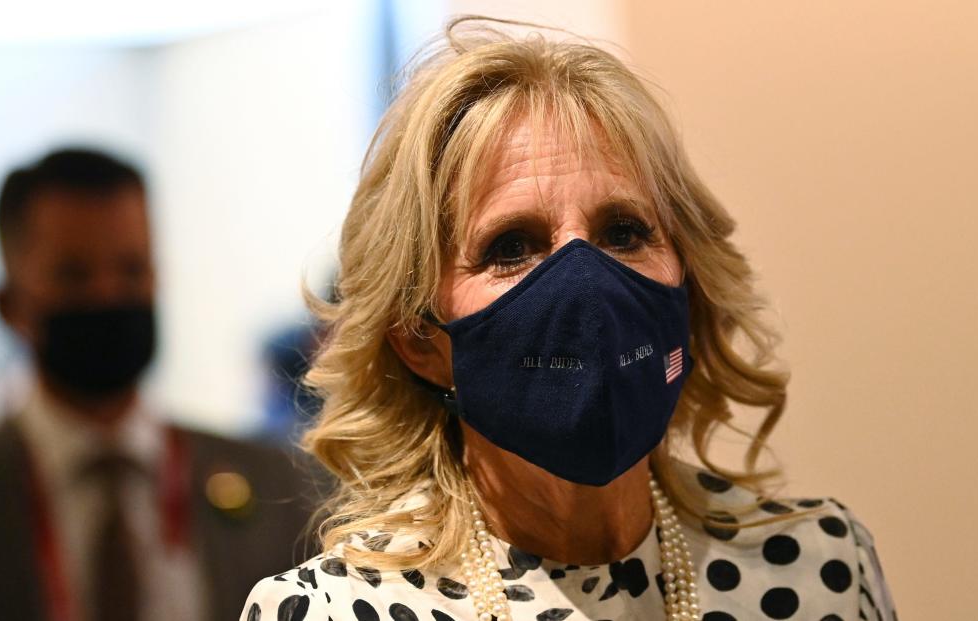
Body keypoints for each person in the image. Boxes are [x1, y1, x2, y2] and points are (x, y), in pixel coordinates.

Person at [244, 18, 897, 621]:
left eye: (622, 230)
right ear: (419, 338)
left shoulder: (824, 570)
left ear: (686, 279)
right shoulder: (326, 610)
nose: (584, 283)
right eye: (512, 246)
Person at [0, 148, 318, 621]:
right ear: (8, 304)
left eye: (131, 269)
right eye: (73, 276)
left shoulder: (275, 487)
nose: (108, 294)